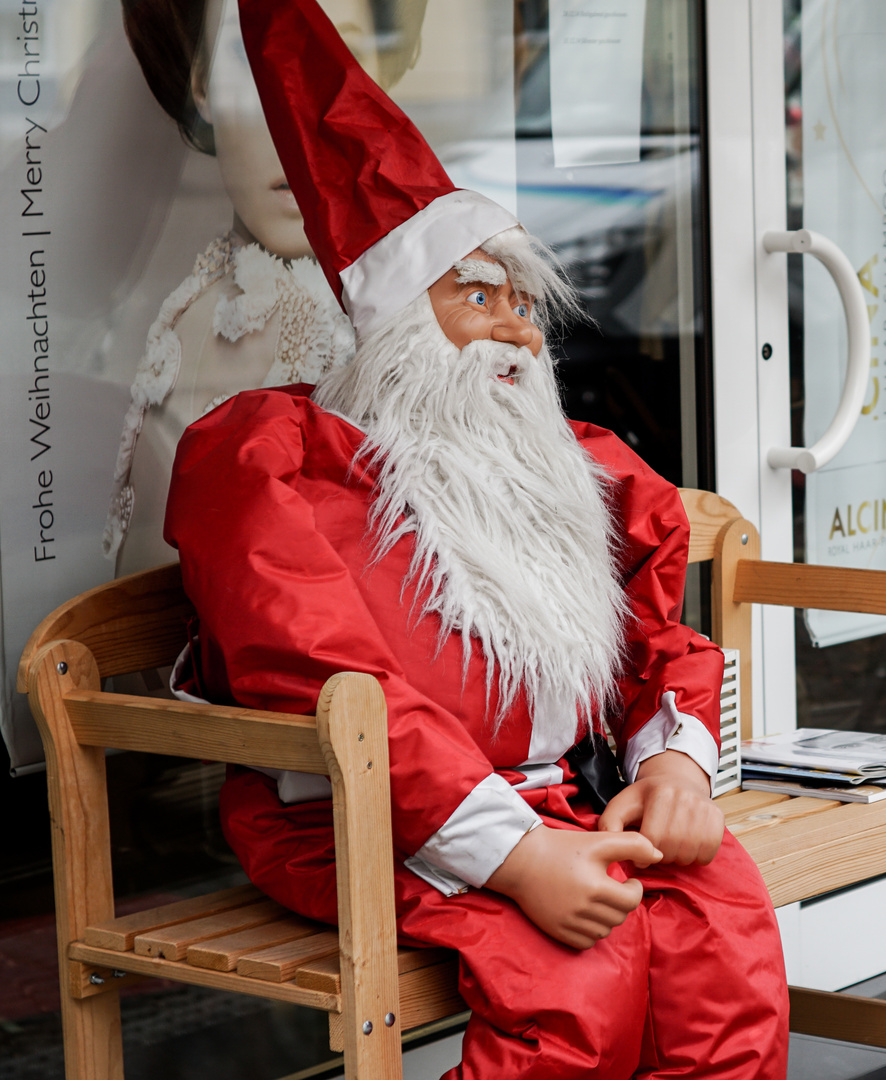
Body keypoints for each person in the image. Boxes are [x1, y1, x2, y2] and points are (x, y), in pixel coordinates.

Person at [161, 1, 789, 1076]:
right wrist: (514, 856)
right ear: (403, 322)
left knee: (720, 940)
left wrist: (677, 764)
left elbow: (655, 635)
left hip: (570, 791)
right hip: (366, 819)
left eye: (526, 305)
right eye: (480, 297)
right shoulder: (279, 465)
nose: (516, 330)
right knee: (579, 987)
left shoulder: (573, 467)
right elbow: (324, 671)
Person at [106, 0, 428, 574]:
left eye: (338, 57)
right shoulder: (204, 323)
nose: (295, 111)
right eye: (250, 55)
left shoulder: (420, 314)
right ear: (202, 84)